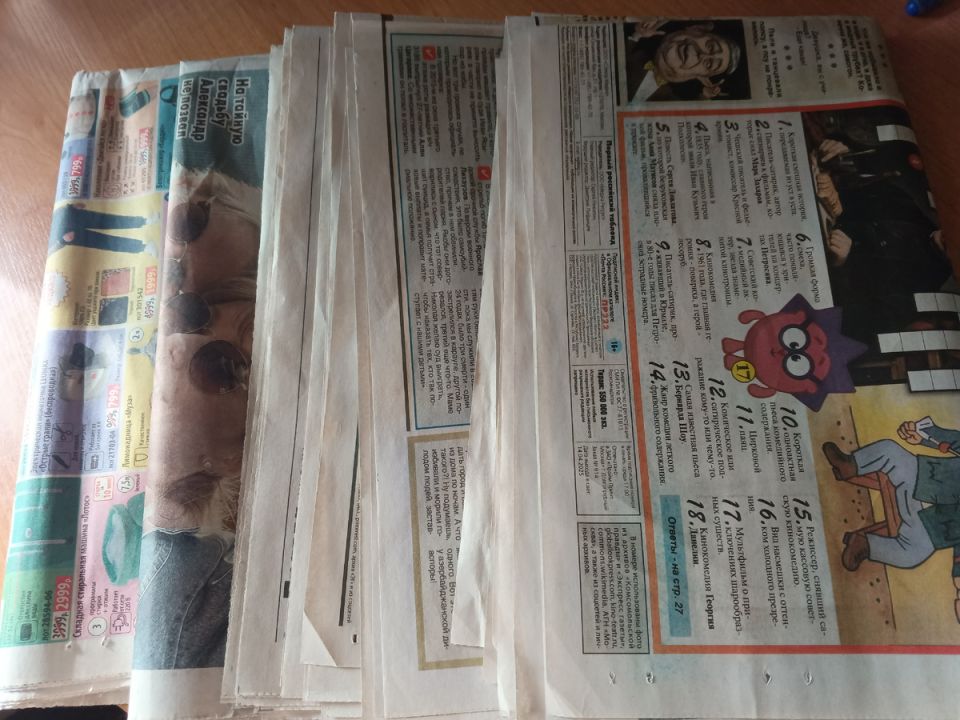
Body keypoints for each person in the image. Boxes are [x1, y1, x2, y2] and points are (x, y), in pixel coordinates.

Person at [823, 420, 960, 621]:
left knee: (911, 555)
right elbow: (954, 440)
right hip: (921, 478)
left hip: (929, 531)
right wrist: (924, 434)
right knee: (890, 452)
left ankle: (865, 546)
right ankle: (850, 465)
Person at [624, 20, 743, 102]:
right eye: (710, 46)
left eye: (709, 64)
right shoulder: (637, 56)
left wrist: (704, 96)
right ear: (696, 29)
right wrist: (638, 34)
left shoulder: (668, 98)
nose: (702, 55)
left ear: (701, 77)